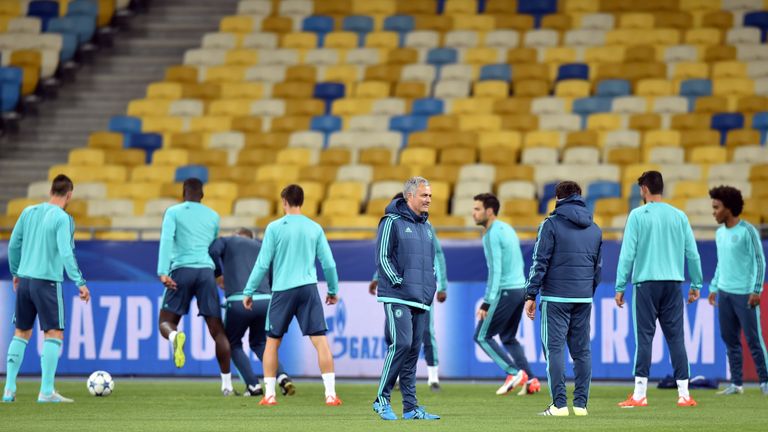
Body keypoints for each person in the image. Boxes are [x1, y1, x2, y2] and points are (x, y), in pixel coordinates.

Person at [242, 184, 341, 406]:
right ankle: (331, 395)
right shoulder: (314, 228)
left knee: (271, 342)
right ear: (302, 201)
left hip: (282, 290)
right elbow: (329, 264)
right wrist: (333, 290)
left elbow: (262, 264)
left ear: (284, 202)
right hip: (308, 288)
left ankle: (269, 395)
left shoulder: (275, 228)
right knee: (320, 341)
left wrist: (248, 291)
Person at [615, 170, 702, 408]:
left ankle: (640, 394)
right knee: (676, 338)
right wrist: (696, 283)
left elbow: (627, 254)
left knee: (644, 338)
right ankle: (684, 394)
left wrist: (620, 285)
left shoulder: (637, 215)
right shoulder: (679, 216)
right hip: (673, 283)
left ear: (644, 189)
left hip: (646, 284)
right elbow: (692, 254)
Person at [3, 174, 90, 403]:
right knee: (53, 333)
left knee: (21, 332)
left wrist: (16, 272)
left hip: (25, 281)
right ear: (69, 195)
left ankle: (9, 390)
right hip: (47, 282)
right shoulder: (63, 218)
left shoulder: (28, 211)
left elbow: (13, 245)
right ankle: (46, 391)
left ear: (51, 191)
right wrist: (80, 282)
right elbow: (66, 252)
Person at [524, 181, 602, 416]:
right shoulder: (595, 228)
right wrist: (587, 293)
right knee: (582, 352)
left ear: (557, 198)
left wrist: (530, 294)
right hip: (583, 297)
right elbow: (597, 269)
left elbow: (540, 261)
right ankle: (580, 405)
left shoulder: (550, 224)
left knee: (554, 349)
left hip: (556, 297)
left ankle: (559, 405)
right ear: (580, 197)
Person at [157, 178, 233, 395]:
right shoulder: (213, 216)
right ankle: (227, 385)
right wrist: (218, 275)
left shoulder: (173, 212)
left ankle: (175, 337)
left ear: (184, 193)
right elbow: (212, 249)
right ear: (202, 195)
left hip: (181, 270)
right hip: (206, 273)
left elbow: (166, 239)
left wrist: (163, 271)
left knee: (166, 322)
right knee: (217, 330)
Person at [373, 176, 440, 421]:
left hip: (421, 298)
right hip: (398, 295)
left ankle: (410, 408)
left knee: (412, 352)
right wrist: (398, 280)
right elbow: (382, 257)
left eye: (430, 196)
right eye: (424, 195)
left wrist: (430, 286)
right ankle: (381, 399)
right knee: (400, 345)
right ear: (409, 196)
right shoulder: (391, 221)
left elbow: (430, 262)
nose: (428, 200)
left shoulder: (426, 227)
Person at [209, 227, 295, 398]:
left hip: (239, 300)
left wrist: (218, 274)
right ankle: (282, 377)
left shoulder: (228, 240)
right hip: (265, 300)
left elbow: (212, 250)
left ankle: (253, 385)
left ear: (237, 235)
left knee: (231, 343)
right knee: (260, 343)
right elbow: (273, 275)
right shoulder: (262, 246)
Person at [472, 193, 539, 396]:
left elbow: (496, 271)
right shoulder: (507, 228)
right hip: (520, 289)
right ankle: (531, 380)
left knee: (482, 336)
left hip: (506, 290)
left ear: (489, 211)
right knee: (509, 337)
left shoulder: (491, 234)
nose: (473, 213)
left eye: (477, 209)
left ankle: (514, 372)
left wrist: (487, 302)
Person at [707, 185, 768, 396]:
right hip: (724, 293)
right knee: (730, 339)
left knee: (753, 340)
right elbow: (720, 263)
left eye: (716, 207)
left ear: (729, 208)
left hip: (744, 294)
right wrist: (714, 287)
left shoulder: (747, 231)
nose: (713, 212)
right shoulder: (719, 234)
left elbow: (760, 262)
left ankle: (765, 382)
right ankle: (736, 383)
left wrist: (756, 290)